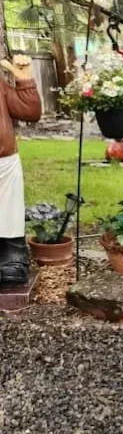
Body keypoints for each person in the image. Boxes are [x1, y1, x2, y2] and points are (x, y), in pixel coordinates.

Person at [0, 55, 42, 285]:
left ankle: (12, 253)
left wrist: (25, 81)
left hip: (3, 161)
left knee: (9, 207)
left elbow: (30, 112)